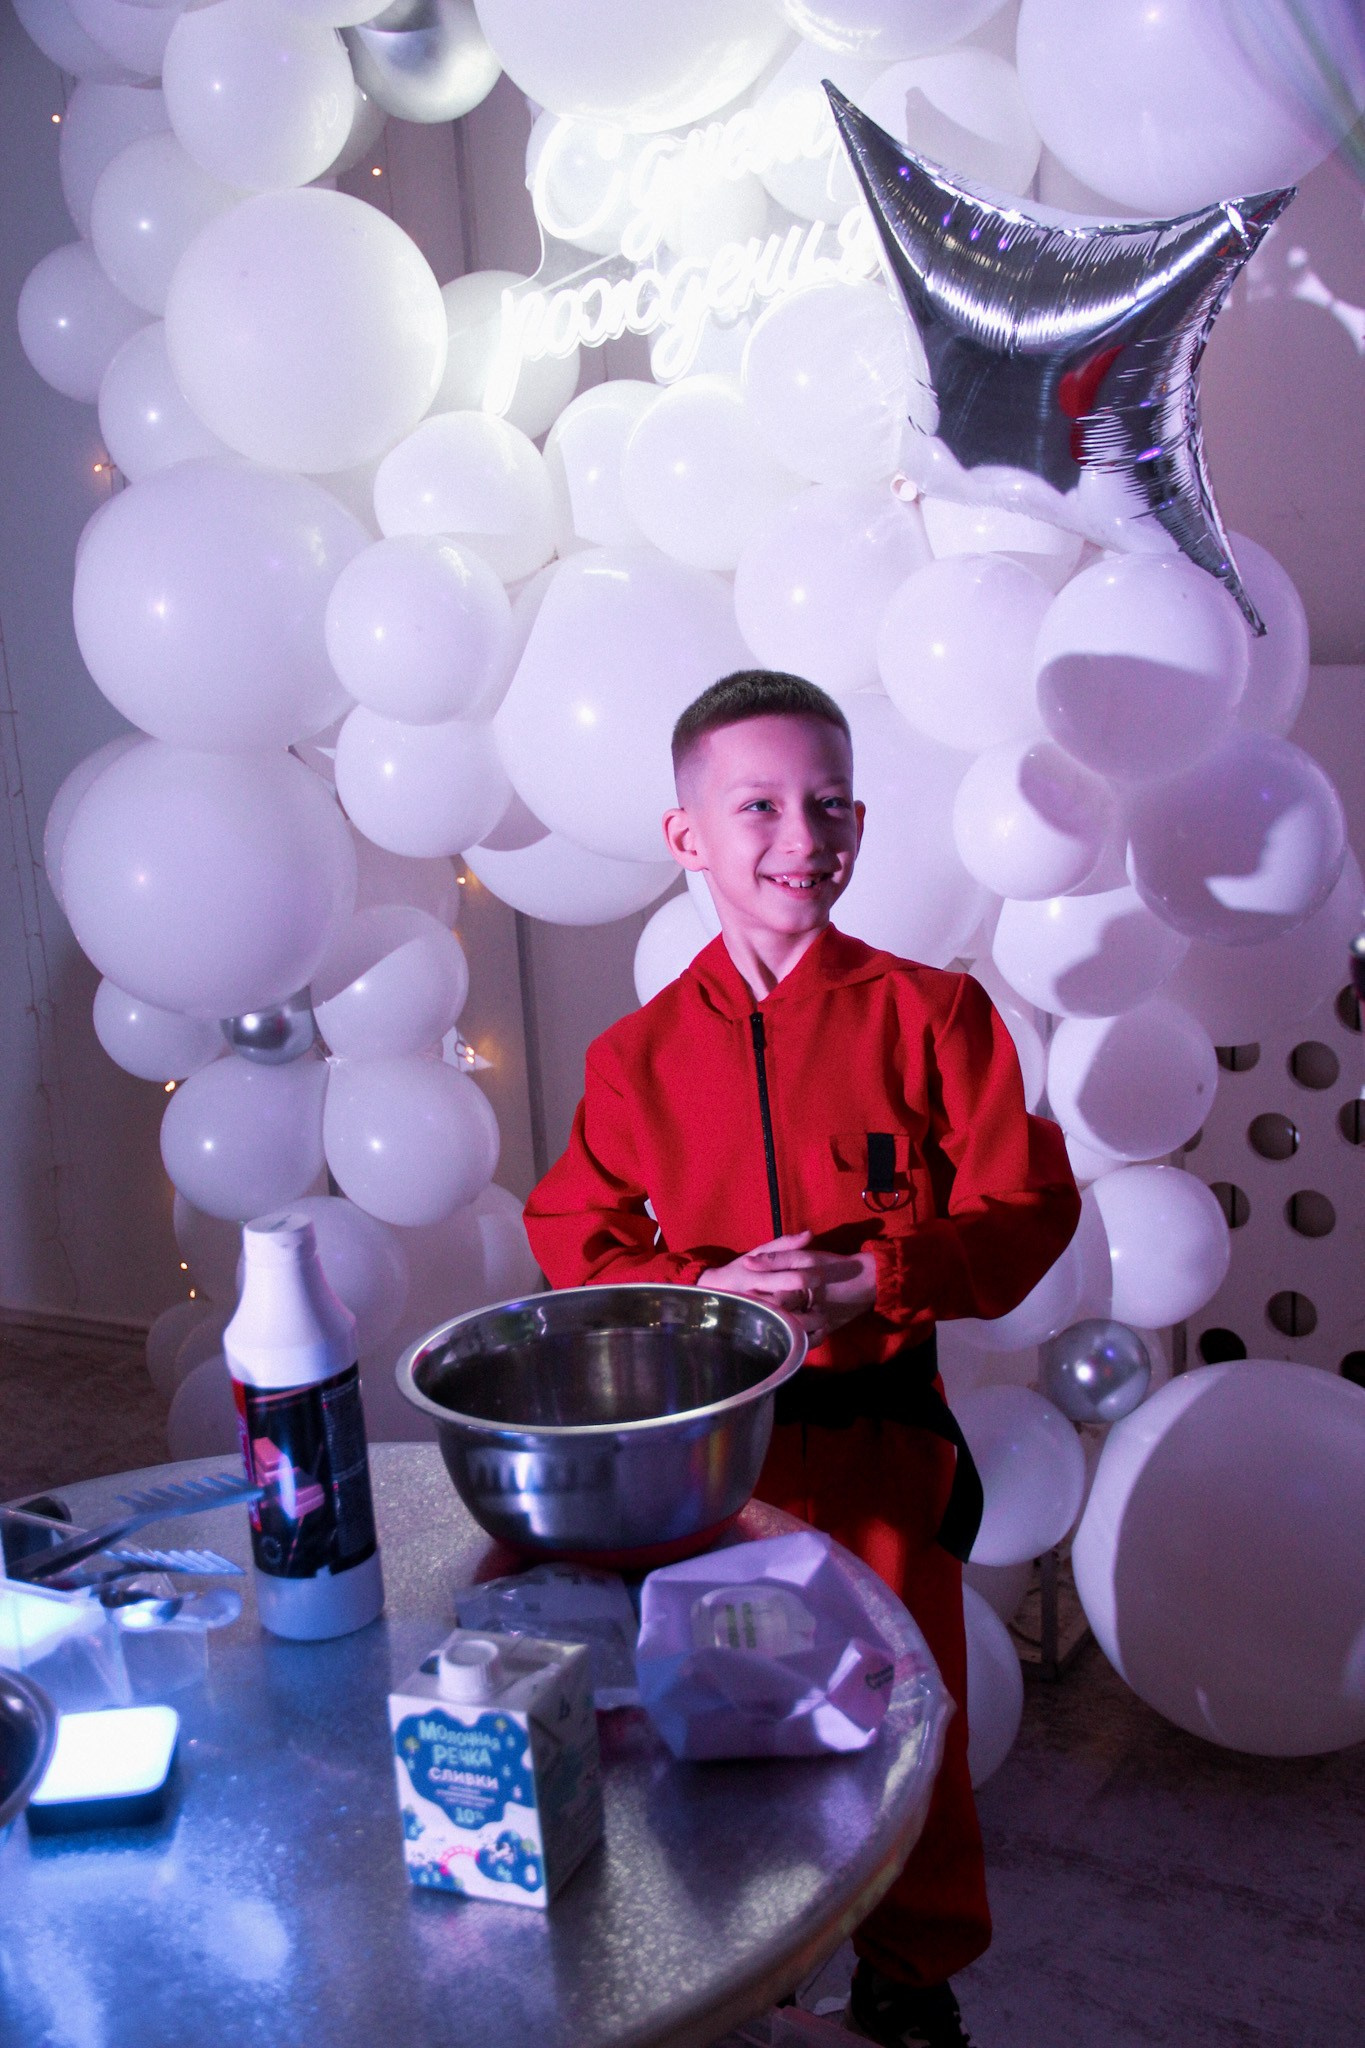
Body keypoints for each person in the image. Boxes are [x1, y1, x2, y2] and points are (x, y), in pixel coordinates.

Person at [524, 670, 1080, 2048]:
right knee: (731, 1724)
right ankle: (752, 1974)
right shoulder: (636, 1057)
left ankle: (912, 1979)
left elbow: (1027, 1205)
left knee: (908, 1724)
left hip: (886, 1452)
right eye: (758, 806)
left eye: (828, 805)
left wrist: (883, 1276)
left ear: (862, 822)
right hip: (716, 1474)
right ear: (687, 836)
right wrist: (702, 1291)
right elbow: (573, 1232)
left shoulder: (932, 1015)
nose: (800, 836)